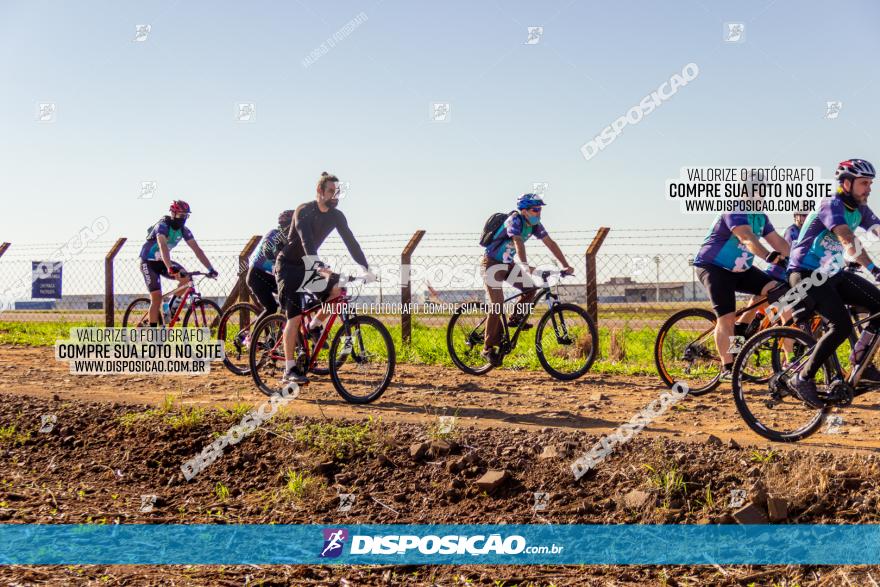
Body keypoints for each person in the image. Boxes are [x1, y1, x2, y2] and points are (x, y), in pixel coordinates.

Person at [788, 158, 880, 406]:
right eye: (864, 183)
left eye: (870, 183)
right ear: (846, 183)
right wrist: (875, 270)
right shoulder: (831, 204)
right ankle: (803, 377)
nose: (869, 188)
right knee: (840, 325)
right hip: (807, 274)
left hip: (833, 274)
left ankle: (861, 360)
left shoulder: (860, 208)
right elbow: (848, 240)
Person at [274, 172, 372, 385]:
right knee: (295, 316)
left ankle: (315, 325)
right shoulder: (303, 211)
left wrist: (366, 268)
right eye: (331, 191)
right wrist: (318, 265)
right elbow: (306, 240)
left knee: (336, 290)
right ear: (319, 191)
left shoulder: (337, 216)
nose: (335, 196)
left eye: (337, 192)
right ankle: (289, 369)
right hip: (289, 267)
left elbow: (351, 242)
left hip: (308, 266)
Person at [692, 212, 790, 379]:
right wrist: (768, 256)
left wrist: (799, 260)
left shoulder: (761, 218)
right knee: (726, 318)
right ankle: (728, 368)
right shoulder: (734, 210)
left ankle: (742, 328)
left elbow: (779, 242)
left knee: (778, 291)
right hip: (714, 267)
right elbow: (747, 237)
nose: (761, 196)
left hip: (741, 269)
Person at [480, 193, 574, 367]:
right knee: (497, 304)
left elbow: (550, 243)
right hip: (492, 264)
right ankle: (487, 348)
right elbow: (517, 242)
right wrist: (525, 264)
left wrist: (565, 265)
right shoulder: (514, 220)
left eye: (540, 210)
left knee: (531, 289)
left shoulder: (535, 226)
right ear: (524, 211)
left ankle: (514, 318)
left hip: (507, 265)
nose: (538, 213)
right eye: (535, 210)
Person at [139, 200, 217, 326]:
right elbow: (162, 245)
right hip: (148, 261)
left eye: (186, 215)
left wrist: (210, 268)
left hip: (162, 261)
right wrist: (169, 266)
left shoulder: (184, 230)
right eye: (181, 215)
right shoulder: (163, 226)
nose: (183, 218)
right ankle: (154, 338)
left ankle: (169, 310)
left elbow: (197, 250)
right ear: (173, 214)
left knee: (186, 278)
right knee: (156, 297)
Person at [247, 210, 293, 322]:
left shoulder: (290, 240)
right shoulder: (274, 234)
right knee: (271, 308)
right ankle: (252, 337)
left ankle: (277, 333)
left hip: (271, 276)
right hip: (257, 276)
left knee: (291, 298)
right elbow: (267, 249)